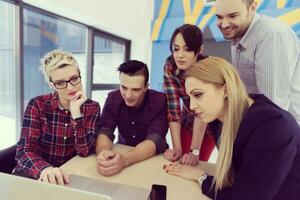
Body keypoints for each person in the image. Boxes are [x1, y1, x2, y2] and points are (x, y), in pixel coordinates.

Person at [164, 57, 300, 200]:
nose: (191, 106)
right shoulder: (219, 121)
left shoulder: (272, 126)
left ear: (226, 89)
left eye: (198, 95)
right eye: (190, 97)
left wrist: (200, 176)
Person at [13, 50, 101, 185]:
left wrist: (76, 114)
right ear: (51, 84)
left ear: (79, 76)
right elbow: (24, 150)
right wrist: (44, 169)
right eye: (60, 83)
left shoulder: (92, 107)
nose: (70, 87)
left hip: (67, 177)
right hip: (35, 174)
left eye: (74, 78)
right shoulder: (38, 104)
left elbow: (84, 151)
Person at [215, 0, 300, 124]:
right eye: (219, 17)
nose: (224, 24)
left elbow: (274, 107)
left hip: (285, 131)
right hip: (263, 124)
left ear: (252, 7)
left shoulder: (271, 36)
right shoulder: (238, 31)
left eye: (233, 16)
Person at [96, 60, 168, 176]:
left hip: (153, 159)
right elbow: (104, 131)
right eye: (124, 87)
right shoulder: (113, 98)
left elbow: (154, 140)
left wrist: (124, 160)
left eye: (135, 89)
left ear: (146, 87)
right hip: (121, 153)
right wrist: (103, 154)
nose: (128, 95)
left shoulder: (159, 101)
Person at [163, 24, 215, 165]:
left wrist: (194, 151)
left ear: (199, 50)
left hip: (210, 123)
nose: (180, 55)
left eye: (187, 49)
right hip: (187, 120)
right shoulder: (170, 68)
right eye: (176, 49)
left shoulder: (208, 69)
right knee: (179, 161)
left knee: (196, 163)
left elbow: (202, 111)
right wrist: (177, 149)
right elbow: (173, 110)